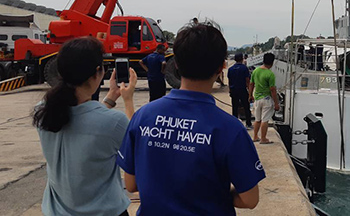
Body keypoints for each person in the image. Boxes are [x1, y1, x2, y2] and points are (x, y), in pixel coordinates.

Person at [117, 22, 264, 214]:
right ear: (221, 66)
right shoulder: (229, 129)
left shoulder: (144, 116)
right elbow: (250, 199)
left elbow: (131, 184)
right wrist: (210, 193)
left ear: (176, 63)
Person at [32, 37, 137, 216]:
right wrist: (128, 100)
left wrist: (111, 98)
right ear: (98, 71)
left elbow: (85, 122)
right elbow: (136, 151)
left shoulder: (44, 109)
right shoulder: (114, 122)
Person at [249, 53, 279, 144]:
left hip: (257, 99)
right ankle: (263, 138)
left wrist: (250, 95)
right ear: (272, 62)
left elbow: (251, 84)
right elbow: (272, 90)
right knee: (265, 119)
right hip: (266, 99)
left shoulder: (256, 71)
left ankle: (255, 136)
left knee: (257, 119)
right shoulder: (270, 74)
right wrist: (276, 103)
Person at [228, 53, 253, 129]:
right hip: (242, 90)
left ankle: (235, 124)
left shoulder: (230, 69)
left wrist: (230, 90)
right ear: (242, 59)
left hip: (233, 90)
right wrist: (250, 93)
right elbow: (247, 81)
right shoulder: (244, 68)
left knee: (234, 108)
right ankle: (248, 124)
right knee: (246, 107)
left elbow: (229, 81)